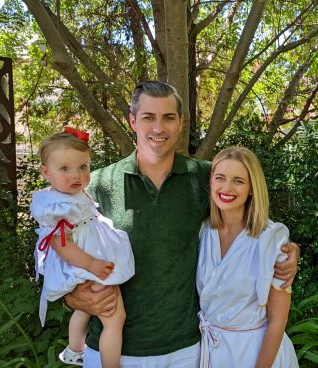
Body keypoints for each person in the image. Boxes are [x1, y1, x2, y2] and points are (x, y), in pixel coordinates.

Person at [64, 81, 299, 367]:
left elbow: (247, 213)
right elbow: (56, 251)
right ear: (133, 120)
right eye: (149, 117)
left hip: (186, 351)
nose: (158, 128)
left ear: (181, 123)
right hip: (111, 351)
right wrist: (74, 297)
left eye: (169, 117)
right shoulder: (97, 185)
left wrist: (286, 251)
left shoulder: (205, 178)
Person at [30, 128, 135, 368]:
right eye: (65, 169)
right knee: (114, 318)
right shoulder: (56, 205)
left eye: (83, 167)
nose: (76, 175)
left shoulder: (71, 194)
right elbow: (60, 244)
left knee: (87, 309)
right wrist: (92, 264)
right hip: (84, 261)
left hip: (88, 259)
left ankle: (75, 349)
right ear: (46, 172)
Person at [197, 146, 299, 367]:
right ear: (211, 182)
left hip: (256, 352)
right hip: (209, 350)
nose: (227, 187)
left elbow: (277, 321)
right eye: (220, 178)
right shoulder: (201, 231)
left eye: (238, 181)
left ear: (252, 188)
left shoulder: (272, 239)